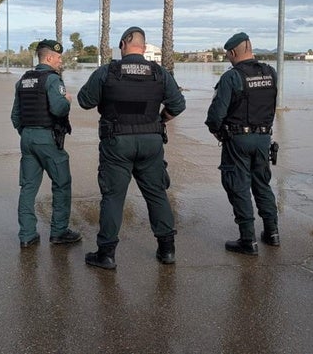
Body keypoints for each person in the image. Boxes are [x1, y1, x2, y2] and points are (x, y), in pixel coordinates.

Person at [77, 27, 186, 269]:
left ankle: (106, 255)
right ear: (144, 48)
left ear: (123, 45)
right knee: (157, 194)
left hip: (117, 142)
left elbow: (85, 101)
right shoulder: (159, 73)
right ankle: (167, 250)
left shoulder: (108, 71)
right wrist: (161, 119)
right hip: (151, 141)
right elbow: (178, 105)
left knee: (114, 197)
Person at [205, 32, 279, 254]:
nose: (228, 58)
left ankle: (248, 240)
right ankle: (272, 233)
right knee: (262, 185)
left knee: (238, 187)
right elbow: (272, 105)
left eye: (228, 54)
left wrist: (219, 132)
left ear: (233, 52)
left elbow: (216, 116)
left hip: (238, 139)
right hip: (264, 138)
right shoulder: (270, 73)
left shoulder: (232, 77)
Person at [11, 39, 81, 248]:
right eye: (59, 57)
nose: (61, 61)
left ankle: (27, 235)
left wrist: (27, 133)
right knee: (61, 183)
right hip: (47, 139)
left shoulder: (23, 80)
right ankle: (59, 232)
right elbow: (59, 109)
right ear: (49, 57)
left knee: (28, 187)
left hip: (28, 139)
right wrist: (67, 99)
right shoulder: (52, 80)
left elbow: (15, 116)